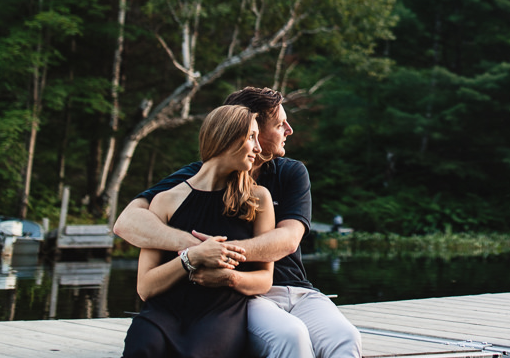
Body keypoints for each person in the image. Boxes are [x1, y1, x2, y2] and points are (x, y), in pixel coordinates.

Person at [115, 87, 362, 358]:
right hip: (246, 298)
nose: (289, 130)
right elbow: (127, 222)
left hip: (294, 288)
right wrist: (195, 250)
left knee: (345, 337)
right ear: (245, 124)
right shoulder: (191, 178)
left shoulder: (287, 174)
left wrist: (220, 253)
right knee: (290, 336)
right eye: (280, 124)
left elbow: (289, 240)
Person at [123, 104, 275, 358]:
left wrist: (229, 278)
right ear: (225, 137)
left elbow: (265, 279)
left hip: (220, 313)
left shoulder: (257, 199)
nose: (258, 148)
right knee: (142, 347)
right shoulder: (165, 200)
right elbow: (145, 287)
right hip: (163, 313)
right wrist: (191, 258)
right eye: (251, 137)